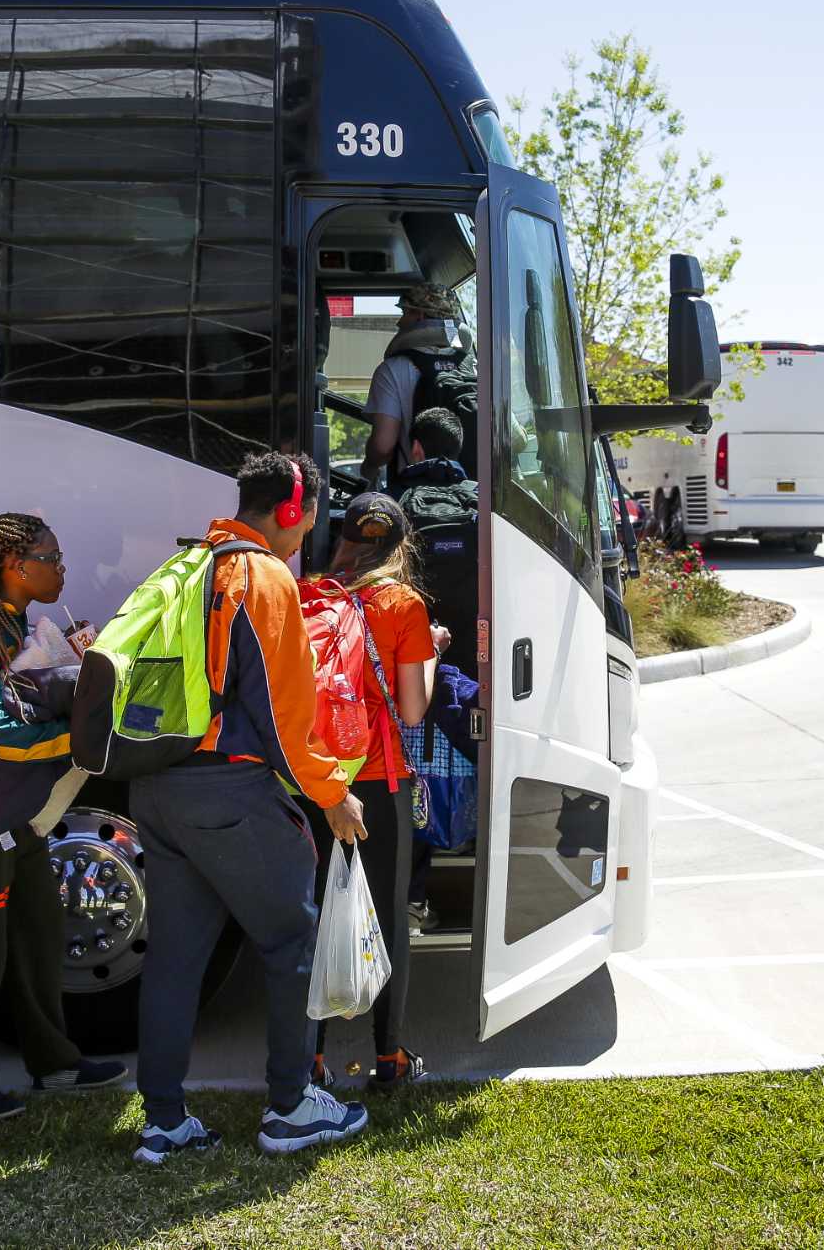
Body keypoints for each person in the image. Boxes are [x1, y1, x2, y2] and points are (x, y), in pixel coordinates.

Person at [131, 451, 369, 1166]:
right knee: (292, 941)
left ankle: (163, 1122)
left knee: (175, 959)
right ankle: (291, 1108)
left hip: (157, 786)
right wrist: (333, 793)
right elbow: (284, 716)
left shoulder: (188, 564)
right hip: (228, 793)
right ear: (296, 511)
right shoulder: (263, 577)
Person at [0, 512, 126, 1120]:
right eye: (52, 558)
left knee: (39, 932)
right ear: (16, 567)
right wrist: (76, 737)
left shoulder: (13, 623)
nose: (62, 569)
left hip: (16, 815)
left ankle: (54, 1063)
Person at [303, 492, 448, 1090]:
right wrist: (433, 652)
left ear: (342, 538)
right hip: (378, 778)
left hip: (317, 779)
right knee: (387, 914)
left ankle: (310, 1060)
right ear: (400, 543)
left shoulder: (311, 594)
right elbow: (411, 710)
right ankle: (389, 1059)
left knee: (313, 914)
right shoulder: (402, 604)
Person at [388, 406, 479, 651]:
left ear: (416, 448)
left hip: (410, 638)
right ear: (457, 448)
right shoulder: (480, 496)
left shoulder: (391, 499)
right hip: (472, 637)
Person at [361, 284, 469, 487]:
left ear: (420, 316)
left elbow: (383, 447)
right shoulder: (474, 367)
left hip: (416, 496)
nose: (399, 322)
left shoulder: (393, 369)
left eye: (404, 313)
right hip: (472, 495)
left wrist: (368, 468)